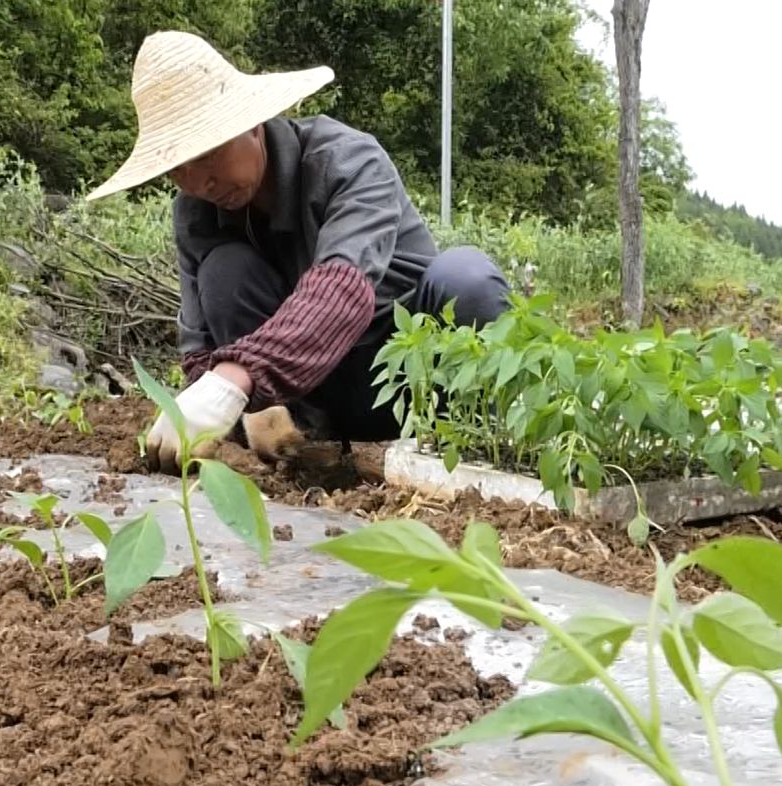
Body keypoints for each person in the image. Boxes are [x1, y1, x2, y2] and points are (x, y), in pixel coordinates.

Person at [86, 31, 510, 474]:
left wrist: (236, 377)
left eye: (209, 153)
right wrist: (232, 403)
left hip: (408, 380)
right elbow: (200, 349)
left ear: (252, 124)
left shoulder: (346, 161)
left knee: (467, 277)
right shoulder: (197, 213)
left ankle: (484, 448)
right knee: (223, 272)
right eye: (177, 168)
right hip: (311, 398)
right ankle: (301, 447)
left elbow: (342, 292)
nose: (198, 183)